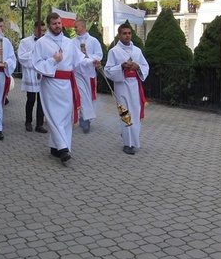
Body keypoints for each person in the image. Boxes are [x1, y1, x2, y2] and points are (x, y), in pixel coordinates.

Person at [33, 12, 99, 163]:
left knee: (65, 117)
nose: (57, 26)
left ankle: (55, 147)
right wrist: (52, 61)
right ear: (49, 25)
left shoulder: (69, 42)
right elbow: (36, 64)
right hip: (51, 83)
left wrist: (92, 62)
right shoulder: (42, 43)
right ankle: (63, 150)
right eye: (54, 23)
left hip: (67, 85)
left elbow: (80, 59)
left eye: (59, 23)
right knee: (54, 116)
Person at [104, 22, 149, 155]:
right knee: (125, 113)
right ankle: (127, 143)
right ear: (119, 35)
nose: (127, 36)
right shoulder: (114, 51)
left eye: (129, 33)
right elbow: (108, 70)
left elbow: (145, 66)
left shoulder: (137, 51)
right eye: (124, 33)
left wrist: (138, 67)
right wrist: (121, 67)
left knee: (134, 112)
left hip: (134, 84)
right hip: (121, 85)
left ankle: (133, 139)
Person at [72, 19, 103, 133]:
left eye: (76, 26)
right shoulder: (72, 42)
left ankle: (87, 119)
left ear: (83, 26)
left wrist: (88, 57)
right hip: (77, 72)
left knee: (89, 96)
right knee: (81, 95)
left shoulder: (93, 41)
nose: (74, 28)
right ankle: (84, 119)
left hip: (89, 73)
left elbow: (99, 55)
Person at [18, 21, 47, 133]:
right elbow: (21, 57)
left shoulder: (46, 42)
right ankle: (28, 121)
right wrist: (34, 53)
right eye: (40, 30)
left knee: (42, 100)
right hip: (31, 73)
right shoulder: (25, 42)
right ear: (34, 28)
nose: (42, 32)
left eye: (44, 30)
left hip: (42, 73)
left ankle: (39, 124)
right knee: (31, 99)